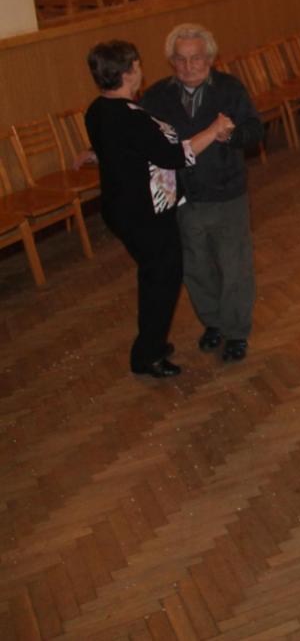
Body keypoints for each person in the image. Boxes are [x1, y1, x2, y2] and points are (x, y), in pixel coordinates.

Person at [83, 41, 233, 379]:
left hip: (123, 208)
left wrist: (94, 154)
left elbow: (120, 149)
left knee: (155, 276)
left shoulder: (97, 109)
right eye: (137, 66)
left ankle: (150, 347)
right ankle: (148, 355)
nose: (141, 71)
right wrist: (213, 130)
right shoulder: (130, 117)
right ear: (127, 72)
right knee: (161, 281)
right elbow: (174, 156)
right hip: (145, 214)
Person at [141, 24, 263, 364]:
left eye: (195, 58)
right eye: (180, 59)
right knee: (195, 266)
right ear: (171, 61)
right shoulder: (157, 96)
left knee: (234, 266)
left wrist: (233, 136)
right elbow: (138, 135)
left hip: (226, 194)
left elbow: (255, 131)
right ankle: (213, 322)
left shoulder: (230, 89)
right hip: (183, 197)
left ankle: (236, 331)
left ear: (210, 58)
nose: (188, 66)